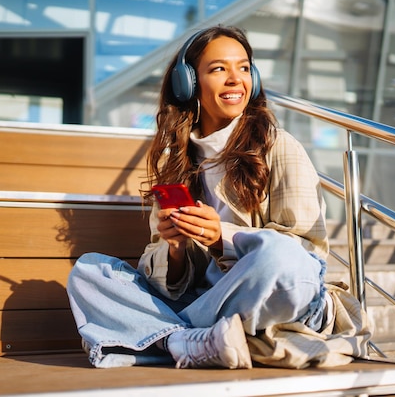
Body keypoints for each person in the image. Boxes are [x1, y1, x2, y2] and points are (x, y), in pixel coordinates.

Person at [67, 25, 330, 370]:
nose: (236, 79)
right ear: (188, 84)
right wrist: (174, 249)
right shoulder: (174, 160)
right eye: (219, 69)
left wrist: (224, 237)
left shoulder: (279, 146)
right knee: (90, 271)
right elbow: (159, 274)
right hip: (206, 303)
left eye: (244, 68)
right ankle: (196, 341)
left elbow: (306, 250)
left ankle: (169, 338)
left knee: (282, 256)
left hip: (268, 292)